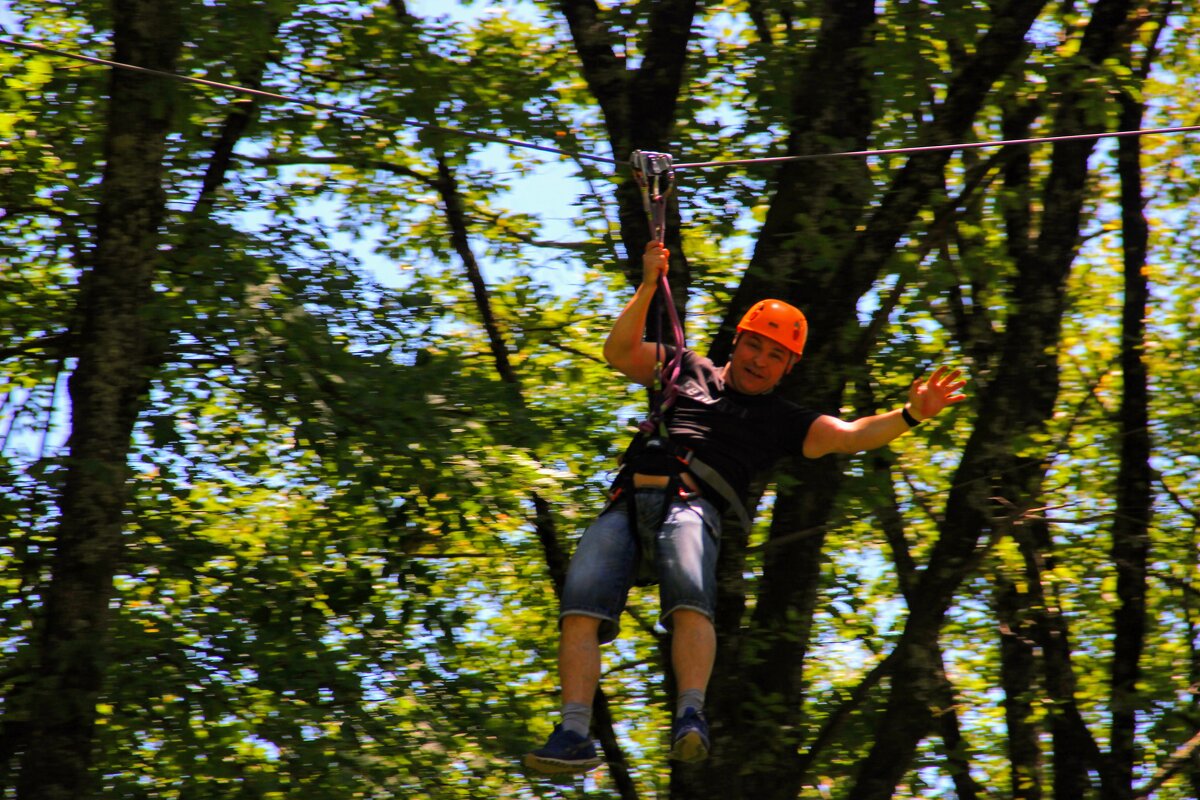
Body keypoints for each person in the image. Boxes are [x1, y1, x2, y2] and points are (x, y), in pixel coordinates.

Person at [524, 241, 967, 776]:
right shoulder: (684, 368)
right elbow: (619, 353)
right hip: (625, 503)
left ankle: (690, 716)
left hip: (690, 507)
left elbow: (849, 436)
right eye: (755, 346)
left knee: (689, 597)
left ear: (787, 368)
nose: (761, 360)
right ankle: (573, 732)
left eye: (775, 355)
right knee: (580, 609)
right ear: (738, 343)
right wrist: (647, 285)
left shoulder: (781, 419)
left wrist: (910, 415)